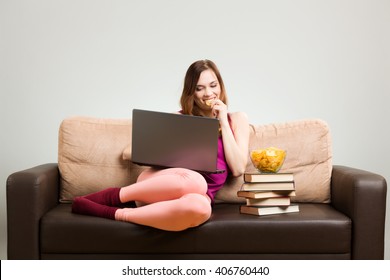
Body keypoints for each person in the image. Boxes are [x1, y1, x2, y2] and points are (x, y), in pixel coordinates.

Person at [72, 59, 250, 231]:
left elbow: (238, 168)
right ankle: (113, 195)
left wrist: (222, 122)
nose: (208, 93)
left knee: (202, 208)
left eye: (213, 85)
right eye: (199, 88)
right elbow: (128, 153)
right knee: (196, 181)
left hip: (196, 195)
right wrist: (175, 151)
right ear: (191, 92)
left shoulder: (236, 119)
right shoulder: (180, 119)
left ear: (220, 85)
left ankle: (117, 213)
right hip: (158, 188)